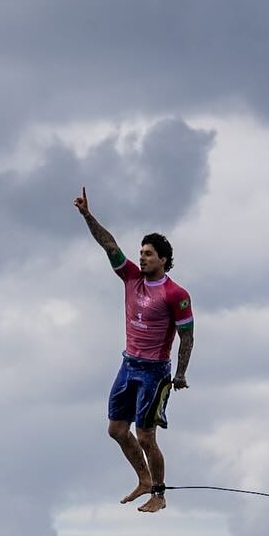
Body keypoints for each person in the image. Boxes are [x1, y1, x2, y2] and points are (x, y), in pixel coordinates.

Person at [74, 187, 194, 514]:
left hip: (155, 372)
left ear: (164, 260)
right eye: (141, 252)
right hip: (128, 365)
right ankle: (143, 479)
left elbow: (187, 336)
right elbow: (109, 244)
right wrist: (87, 215)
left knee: (145, 436)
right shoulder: (130, 278)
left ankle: (159, 493)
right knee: (116, 429)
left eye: (149, 254)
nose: (142, 257)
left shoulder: (175, 293)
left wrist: (180, 373)